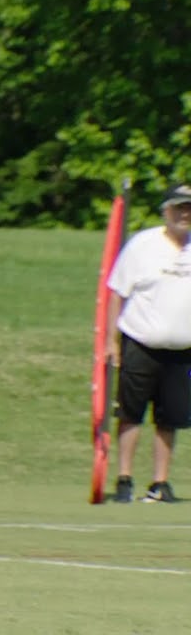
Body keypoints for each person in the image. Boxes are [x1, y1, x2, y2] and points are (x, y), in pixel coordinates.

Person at [106, 182, 191, 503]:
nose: (185, 214)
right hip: (140, 341)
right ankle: (124, 478)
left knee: (170, 418)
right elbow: (117, 293)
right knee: (131, 413)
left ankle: (160, 482)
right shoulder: (143, 245)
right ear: (166, 210)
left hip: (182, 350)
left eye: (189, 209)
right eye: (179, 207)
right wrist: (111, 342)